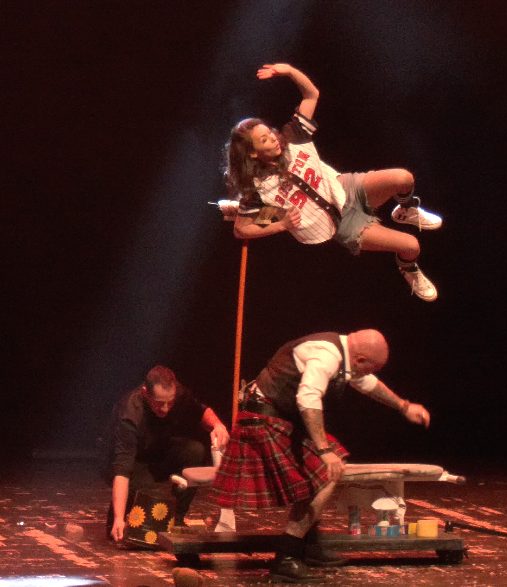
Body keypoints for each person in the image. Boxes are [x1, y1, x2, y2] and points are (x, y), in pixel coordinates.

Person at [211, 330, 430, 582]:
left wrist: (403, 406)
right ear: (359, 360)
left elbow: (366, 383)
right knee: (328, 473)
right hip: (261, 421)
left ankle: (309, 544)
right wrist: (324, 451)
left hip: (277, 419)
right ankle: (287, 556)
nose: (367, 374)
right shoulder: (326, 355)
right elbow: (307, 399)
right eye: (369, 368)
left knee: (325, 471)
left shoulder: (345, 354)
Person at [225, 63, 442, 302]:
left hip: (345, 188)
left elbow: (311, 95)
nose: (274, 139)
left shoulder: (293, 138)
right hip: (340, 224)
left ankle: (406, 210)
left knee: (403, 178)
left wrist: (288, 71)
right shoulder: (256, 190)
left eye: (270, 132)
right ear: (253, 153)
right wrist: (281, 224)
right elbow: (242, 229)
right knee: (411, 245)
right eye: (264, 140)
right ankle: (409, 269)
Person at [103, 365, 230, 542]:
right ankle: (118, 518)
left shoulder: (177, 394)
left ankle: (177, 518)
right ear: (145, 393)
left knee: (194, 450)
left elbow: (200, 410)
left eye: (170, 403)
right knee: (142, 499)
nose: (165, 408)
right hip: (131, 463)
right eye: (159, 403)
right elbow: (122, 470)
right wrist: (118, 518)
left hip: (158, 451)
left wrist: (218, 425)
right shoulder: (130, 414)